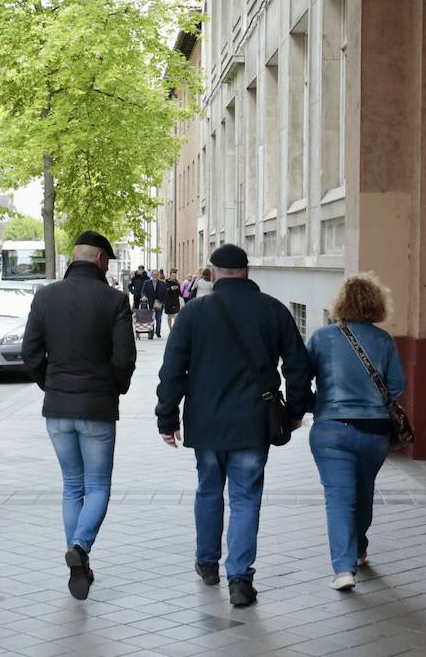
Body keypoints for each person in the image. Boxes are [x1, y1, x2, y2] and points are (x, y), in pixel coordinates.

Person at [155, 244, 311, 607]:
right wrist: (296, 409)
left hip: (207, 423)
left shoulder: (194, 313)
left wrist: (167, 417)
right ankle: (240, 579)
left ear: (212, 272)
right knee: (245, 498)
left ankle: (208, 563)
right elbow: (298, 365)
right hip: (254, 423)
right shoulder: (273, 310)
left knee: (208, 489)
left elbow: (172, 370)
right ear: (247, 270)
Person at [21, 230, 136, 601]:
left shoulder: (44, 297)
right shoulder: (115, 299)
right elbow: (125, 358)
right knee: (98, 485)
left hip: (57, 408)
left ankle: (80, 565)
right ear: (101, 259)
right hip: (97, 408)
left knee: (73, 484)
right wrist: (114, 387)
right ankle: (81, 548)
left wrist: (49, 385)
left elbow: (30, 353)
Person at [303, 273, 406, 591]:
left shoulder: (322, 337)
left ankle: (343, 569)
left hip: (331, 429)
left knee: (338, 497)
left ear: (341, 303)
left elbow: (301, 376)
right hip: (374, 431)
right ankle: (360, 548)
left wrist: (310, 405)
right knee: (364, 492)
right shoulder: (384, 340)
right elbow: (397, 386)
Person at [141, 269, 167, 339]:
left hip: (159, 304)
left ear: (158, 275)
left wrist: (163, 303)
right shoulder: (147, 283)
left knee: (158, 319)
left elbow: (165, 294)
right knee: (150, 319)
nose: (155, 276)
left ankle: (158, 332)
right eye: (154, 274)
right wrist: (143, 296)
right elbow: (143, 291)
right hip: (150, 303)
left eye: (156, 275)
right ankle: (151, 333)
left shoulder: (163, 284)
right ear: (152, 275)